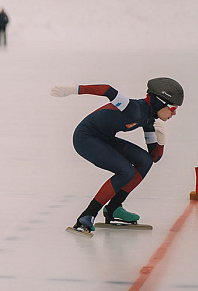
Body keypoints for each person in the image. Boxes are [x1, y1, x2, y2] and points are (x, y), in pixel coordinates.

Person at [51, 77, 184, 234]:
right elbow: (107, 90)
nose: (173, 114)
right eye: (173, 109)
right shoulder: (133, 108)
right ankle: (87, 215)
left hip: (104, 138)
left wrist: (160, 142)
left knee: (144, 161)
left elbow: (153, 158)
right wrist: (74, 90)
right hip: (85, 137)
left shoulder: (148, 119)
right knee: (125, 171)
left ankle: (113, 208)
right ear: (161, 102)